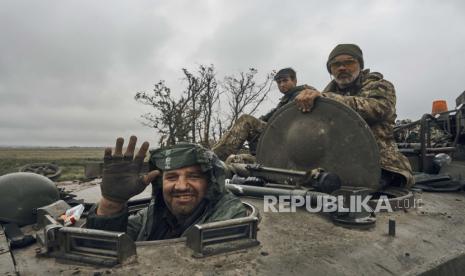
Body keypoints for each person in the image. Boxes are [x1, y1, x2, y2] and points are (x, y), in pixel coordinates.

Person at [294, 44, 414, 188]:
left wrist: (328, 100)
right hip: (332, 163)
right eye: (336, 64)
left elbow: (378, 108)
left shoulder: (381, 86)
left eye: (349, 62)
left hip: (380, 164)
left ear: (360, 65)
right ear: (330, 70)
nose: (342, 68)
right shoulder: (324, 96)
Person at [86, 136, 247, 241]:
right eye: (171, 177)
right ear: (161, 183)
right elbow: (105, 245)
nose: (181, 186)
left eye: (193, 176)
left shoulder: (229, 214)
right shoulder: (152, 214)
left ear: (209, 183)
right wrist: (111, 202)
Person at [212, 68, 312, 161]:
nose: (282, 84)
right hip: (278, 137)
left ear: (294, 81)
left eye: (285, 80)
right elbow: (267, 117)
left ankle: (215, 158)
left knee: (246, 120)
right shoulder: (285, 100)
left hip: (288, 137)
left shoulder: (302, 95)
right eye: (279, 82)